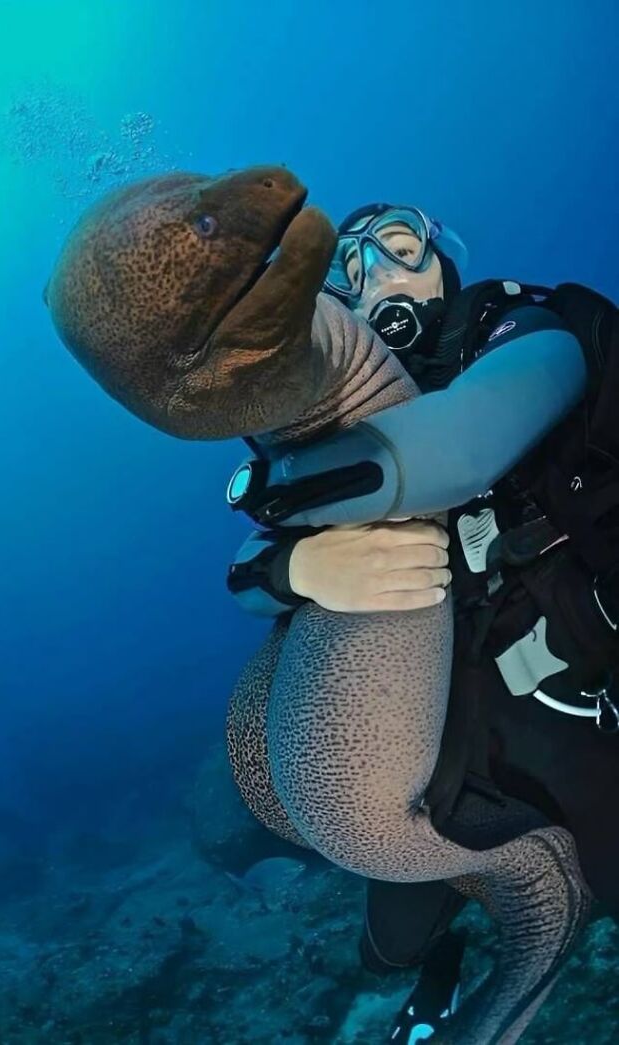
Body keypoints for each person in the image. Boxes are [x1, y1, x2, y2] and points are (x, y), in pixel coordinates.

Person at [225, 201, 619, 1041]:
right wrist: (297, 567)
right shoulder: (343, 420)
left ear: (445, 260)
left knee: (599, 881)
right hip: (433, 734)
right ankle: (436, 968)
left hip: (566, 701)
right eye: (350, 271)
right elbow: (244, 578)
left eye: (400, 247)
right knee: (389, 948)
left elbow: (458, 452)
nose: (378, 275)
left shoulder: (527, 330)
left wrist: (275, 489)